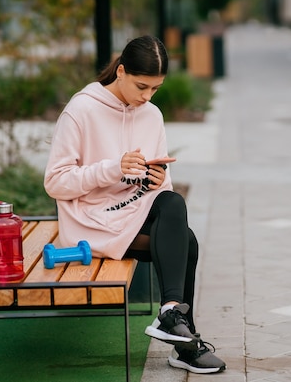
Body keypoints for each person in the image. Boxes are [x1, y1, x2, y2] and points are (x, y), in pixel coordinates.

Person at [44, 35, 226, 374]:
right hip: (92, 220)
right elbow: (55, 182)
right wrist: (113, 167)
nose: (147, 96)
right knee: (186, 243)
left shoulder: (151, 115)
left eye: (155, 89)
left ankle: (171, 313)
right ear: (122, 71)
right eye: (142, 86)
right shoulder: (81, 110)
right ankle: (184, 344)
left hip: (133, 211)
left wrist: (157, 181)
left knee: (171, 201)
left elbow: (159, 190)